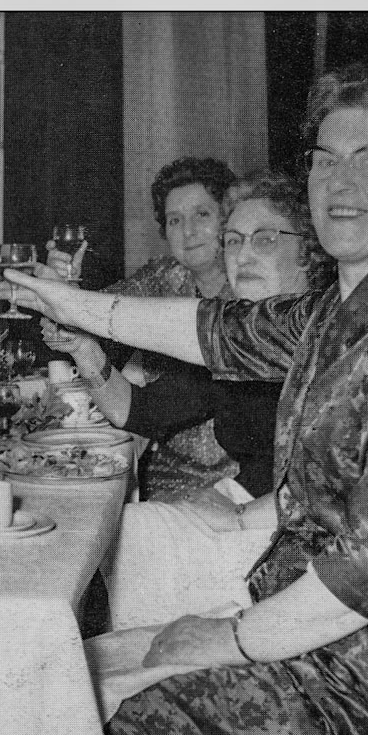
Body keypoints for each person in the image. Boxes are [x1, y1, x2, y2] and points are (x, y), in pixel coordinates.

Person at [8, 63, 368, 735]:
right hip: (306, 634)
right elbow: (215, 329)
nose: (341, 182)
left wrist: (232, 636)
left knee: (72, 719)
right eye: (326, 160)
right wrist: (65, 303)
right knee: (51, 672)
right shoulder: (347, 308)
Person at [47, 172, 332, 629]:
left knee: (140, 539)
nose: (243, 255)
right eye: (234, 241)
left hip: (303, 534)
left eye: (265, 240)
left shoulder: (323, 329)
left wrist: (239, 512)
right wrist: (83, 349)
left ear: (309, 251)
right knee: (128, 529)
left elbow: (334, 482)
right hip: (252, 504)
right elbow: (140, 411)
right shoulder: (231, 333)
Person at [94, 155, 239, 497]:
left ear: (228, 219)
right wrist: (66, 289)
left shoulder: (252, 288)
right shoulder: (163, 278)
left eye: (201, 215)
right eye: (175, 220)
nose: (188, 232)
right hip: (166, 481)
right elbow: (97, 312)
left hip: (242, 487)